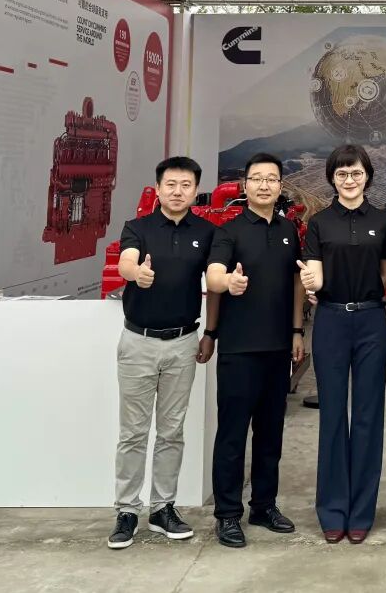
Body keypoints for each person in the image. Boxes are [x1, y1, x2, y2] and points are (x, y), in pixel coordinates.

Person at [107, 156, 219, 550]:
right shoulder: (137, 228)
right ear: (158, 188)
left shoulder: (206, 232)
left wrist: (211, 331)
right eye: (170, 184)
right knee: (133, 433)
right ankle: (126, 510)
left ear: (195, 190)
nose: (177, 191)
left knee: (171, 432)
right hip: (138, 342)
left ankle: (162, 508)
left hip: (183, 342)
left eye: (186, 185)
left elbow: (214, 281)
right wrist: (136, 273)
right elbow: (126, 262)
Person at [206, 152, 306, 548]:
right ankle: (227, 514)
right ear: (245, 185)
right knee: (232, 435)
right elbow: (213, 275)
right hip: (239, 349)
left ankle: (263, 505)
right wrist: (227, 284)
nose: (264, 185)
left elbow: (297, 283)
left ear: (280, 186)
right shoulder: (229, 231)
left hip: (278, 348)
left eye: (271, 179)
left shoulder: (288, 230)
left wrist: (297, 331)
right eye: (257, 178)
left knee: (270, 433)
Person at [300, 144, 386, 545]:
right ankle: (333, 509)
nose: (349, 180)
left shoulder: (382, 221)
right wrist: (311, 284)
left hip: (372, 320)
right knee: (333, 414)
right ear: (332, 178)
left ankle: (361, 512)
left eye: (356, 173)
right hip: (331, 320)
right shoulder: (319, 223)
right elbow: (316, 275)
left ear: (367, 176)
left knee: (369, 415)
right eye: (342, 174)